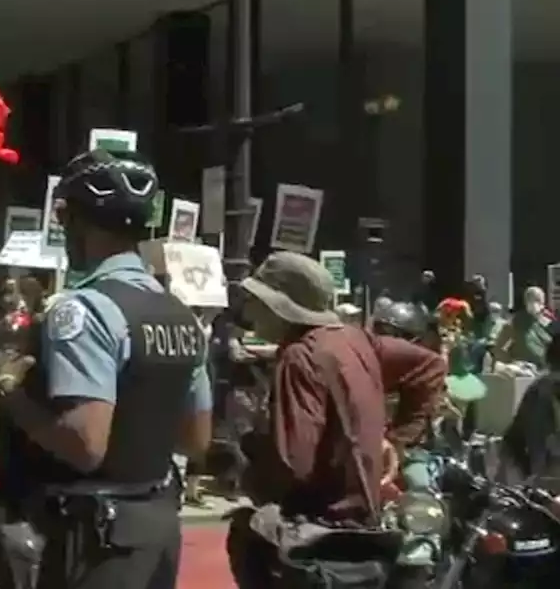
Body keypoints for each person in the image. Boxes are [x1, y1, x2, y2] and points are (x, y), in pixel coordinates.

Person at [0, 148, 212, 589]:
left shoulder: (85, 310)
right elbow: (196, 440)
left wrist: (11, 396)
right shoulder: (180, 313)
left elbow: (84, 444)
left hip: (95, 538)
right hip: (157, 526)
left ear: (74, 220)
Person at [227, 252, 446, 589]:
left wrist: (248, 461)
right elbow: (430, 367)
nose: (249, 312)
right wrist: (396, 441)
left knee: (247, 531)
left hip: (318, 531)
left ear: (279, 306)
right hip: (365, 524)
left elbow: (293, 463)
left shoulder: (300, 356)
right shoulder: (356, 340)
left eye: (255, 301)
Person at [500, 323, 560, 492]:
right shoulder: (539, 392)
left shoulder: (538, 390)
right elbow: (513, 440)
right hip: (546, 491)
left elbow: (512, 441)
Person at [494, 286, 553, 368]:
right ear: (526, 302)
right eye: (530, 300)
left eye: (537, 300)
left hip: (545, 369)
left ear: (543, 303)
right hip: (523, 370)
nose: (534, 304)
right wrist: (512, 362)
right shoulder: (516, 322)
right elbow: (499, 349)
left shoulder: (548, 323)